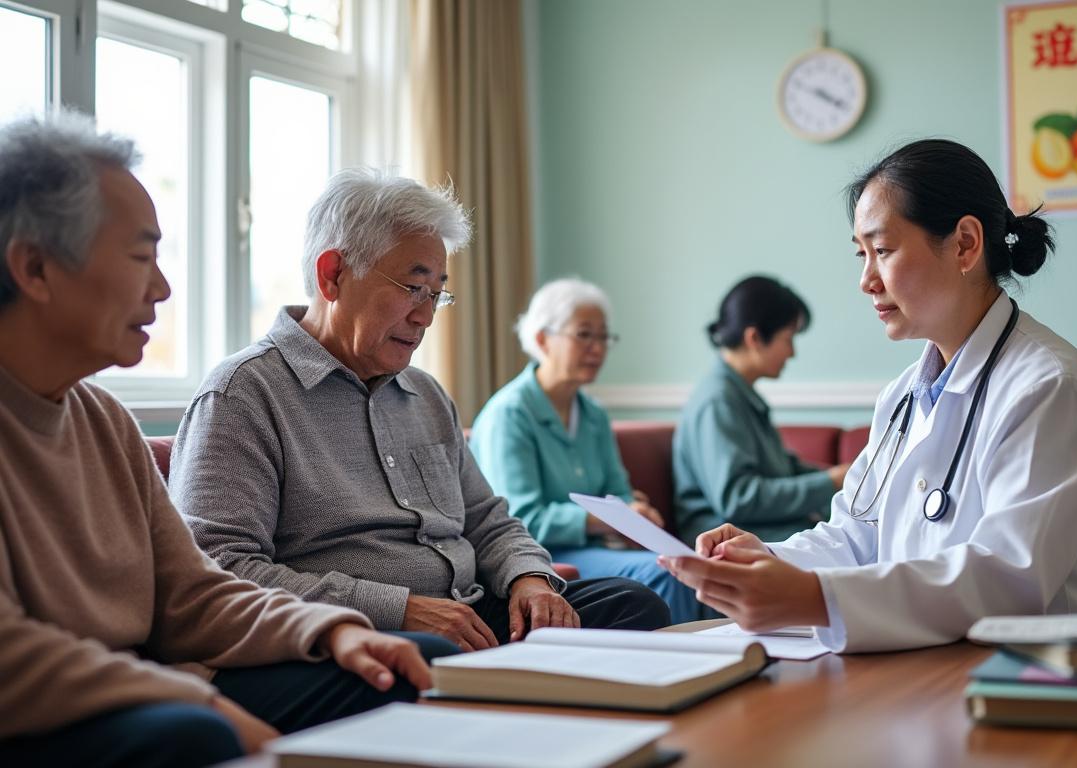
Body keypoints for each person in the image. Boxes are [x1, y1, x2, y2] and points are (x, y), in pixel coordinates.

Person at [0, 114, 447, 768]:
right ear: (35, 268)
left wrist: (333, 632)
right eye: (140, 257)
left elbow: (194, 593)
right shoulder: (241, 390)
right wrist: (198, 699)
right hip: (48, 717)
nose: (162, 287)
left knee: (406, 669)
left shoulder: (104, 420)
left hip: (149, 694)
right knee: (191, 736)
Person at [661, 139, 1077, 653]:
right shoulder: (904, 396)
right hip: (921, 666)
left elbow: (1007, 579)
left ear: (965, 245)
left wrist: (816, 598)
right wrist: (769, 563)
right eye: (861, 254)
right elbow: (855, 536)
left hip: (1032, 683)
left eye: (882, 250)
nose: (866, 280)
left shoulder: (1053, 390)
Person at [171, 169, 669, 654]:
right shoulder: (243, 394)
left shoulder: (426, 396)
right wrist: (398, 609)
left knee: (631, 605)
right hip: (357, 634)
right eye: (412, 288)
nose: (426, 316)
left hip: (470, 614)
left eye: (436, 294)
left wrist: (530, 578)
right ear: (333, 275)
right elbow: (220, 568)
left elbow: (487, 520)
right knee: (423, 658)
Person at [471, 278, 714, 623]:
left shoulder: (594, 415)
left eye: (603, 337)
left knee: (692, 565)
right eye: (584, 335)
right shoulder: (509, 415)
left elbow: (618, 489)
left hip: (599, 549)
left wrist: (634, 511)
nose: (598, 348)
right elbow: (520, 517)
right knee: (669, 573)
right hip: (538, 554)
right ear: (543, 339)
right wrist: (601, 519)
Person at [673, 275, 850, 544]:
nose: (792, 353)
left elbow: (783, 468)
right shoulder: (717, 400)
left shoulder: (739, 394)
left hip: (755, 529)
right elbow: (737, 498)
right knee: (842, 543)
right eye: (788, 339)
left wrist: (843, 478)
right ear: (754, 338)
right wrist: (830, 482)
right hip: (723, 537)